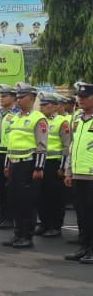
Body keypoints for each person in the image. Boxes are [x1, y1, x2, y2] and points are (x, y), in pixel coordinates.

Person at [2, 83, 48, 249]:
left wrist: (39, 168)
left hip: (28, 164)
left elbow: (42, 145)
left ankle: (26, 236)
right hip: (14, 164)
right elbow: (11, 144)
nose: (19, 100)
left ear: (32, 98)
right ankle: (17, 234)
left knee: (27, 202)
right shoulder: (15, 117)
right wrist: (7, 164)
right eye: (18, 97)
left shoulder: (38, 118)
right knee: (15, 200)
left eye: (22, 97)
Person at [64, 81, 93, 264]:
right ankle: (84, 247)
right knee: (82, 214)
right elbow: (72, 147)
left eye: (85, 97)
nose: (81, 100)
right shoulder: (77, 119)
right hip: (78, 174)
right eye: (79, 97)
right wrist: (69, 171)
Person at [37, 93, 70, 238]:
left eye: (46, 105)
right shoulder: (39, 120)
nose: (42, 107)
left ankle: (55, 226)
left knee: (55, 197)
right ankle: (44, 223)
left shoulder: (62, 122)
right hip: (41, 162)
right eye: (41, 104)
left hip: (54, 163)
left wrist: (62, 167)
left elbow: (66, 146)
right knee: (41, 195)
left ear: (55, 106)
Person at [0, 84, 19, 229]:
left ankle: (10, 217)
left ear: (13, 98)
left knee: (10, 188)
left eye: (5, 96)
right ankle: (2, 216)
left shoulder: (17, 114)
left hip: (10, 154)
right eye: (1, 96)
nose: (1, 98)